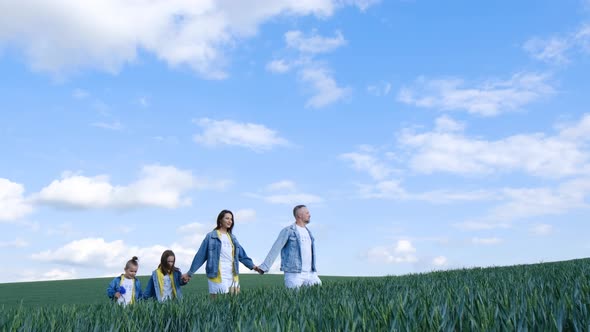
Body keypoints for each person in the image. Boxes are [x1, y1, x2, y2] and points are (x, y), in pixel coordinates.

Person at [182, 209, 261, 297]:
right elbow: (201, 255)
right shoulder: (211, 236)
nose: (230, 221)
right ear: (220, 220)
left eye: (231, 219)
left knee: (235, 304)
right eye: (227, 218)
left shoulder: (232, 238)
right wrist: (190, 273)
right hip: (217, 275)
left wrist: (254, 266)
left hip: (232, 275)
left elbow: (242, 255)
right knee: (217, 305)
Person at [258, 205, 321, 289]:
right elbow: (275, 248)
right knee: (293, 300)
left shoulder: (309, 232)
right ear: (299, 215)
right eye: (307, 213)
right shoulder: (288, 231)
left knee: (319, 294)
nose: (309, 215)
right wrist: (264, 267)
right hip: (294, 273)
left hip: (311, 273)